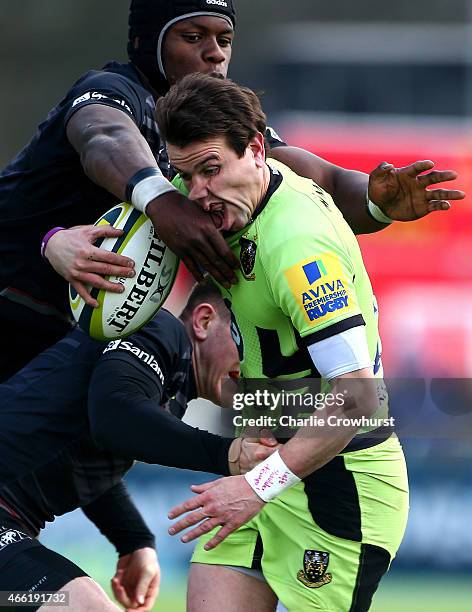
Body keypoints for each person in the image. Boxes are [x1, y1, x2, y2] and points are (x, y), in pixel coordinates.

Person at [0, 0, 463, 382]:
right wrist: (161, 201)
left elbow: (318, 178)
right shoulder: (110, 91)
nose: (215, 53)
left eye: (224, 40)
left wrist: (375, 200)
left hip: (74, 332)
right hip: (13, 296)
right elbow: (103, 138)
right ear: (147, 43)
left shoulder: (221, 124)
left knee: (84, 455)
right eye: (193, 37)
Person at [153, 73, 417, 611]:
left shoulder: (297, 250)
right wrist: (54, 241)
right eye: (187, 177)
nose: (197, 195)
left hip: (339, 483)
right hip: (266, 462)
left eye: (210, 171)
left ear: (255, 149)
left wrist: (256, 486)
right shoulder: (237, 192)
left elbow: (357, 398)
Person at [0, 280, 276, 611]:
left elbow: (82, 458)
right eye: (249, 342)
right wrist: (226, 454)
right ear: (204, 321)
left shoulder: (171, 388)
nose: (252, 367)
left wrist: (134, 540)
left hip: (13, 522)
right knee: (81, 606)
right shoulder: (156, 328)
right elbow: (115, 416)